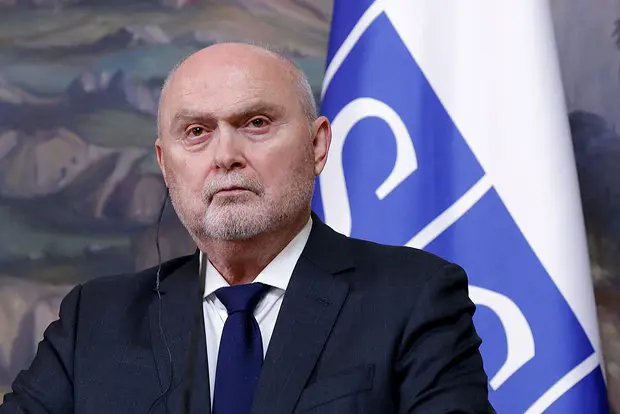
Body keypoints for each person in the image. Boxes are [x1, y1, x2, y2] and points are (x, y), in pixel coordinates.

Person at [0, 43, 493, 414]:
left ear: (318, 146)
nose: (225, 156)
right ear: (165, 165)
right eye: (197, 132)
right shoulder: (95, 319)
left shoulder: (414, 297)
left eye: (256, 123)